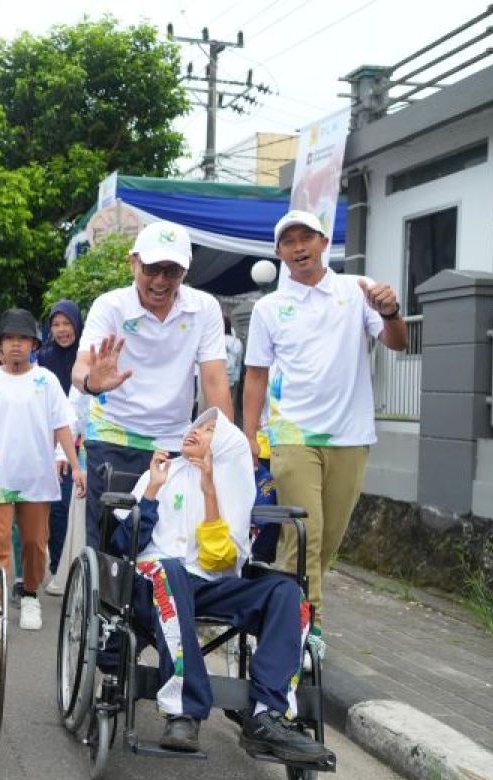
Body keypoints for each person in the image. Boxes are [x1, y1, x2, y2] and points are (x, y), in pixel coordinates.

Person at [110, 409, 332, 764]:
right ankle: (183, 709)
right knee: (170, 571)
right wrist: (151, 489)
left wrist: (209, 490)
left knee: (288, 594)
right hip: (152, 581)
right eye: (197, 424)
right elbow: (124, 546)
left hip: (210, 584)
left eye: (210, 430)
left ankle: (267, 715)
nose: (197, 430)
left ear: (225, 446)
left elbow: (221, 561)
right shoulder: (158, 474)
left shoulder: (231, 488)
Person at [243, 209, 408, 656]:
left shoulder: (358, 291)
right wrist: (247, 436)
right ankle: (307, 626)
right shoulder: (270, 307)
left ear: (322, 241)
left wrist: (390, 311)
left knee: (327, 540)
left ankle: (274, 607)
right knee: (306, 533)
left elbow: (398, 342)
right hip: (292, 436)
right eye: (289, 242)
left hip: (350, 436)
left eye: (306, 239)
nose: (299, 248)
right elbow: (255, 376)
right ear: (279, 252)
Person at [71, 221, 231, 550]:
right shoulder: (110, 306)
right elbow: (80, 368)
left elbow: (215, 381)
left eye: (171, 271)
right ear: (133, 263)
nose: (160, 281)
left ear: (184, 272)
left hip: (173, 441)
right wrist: (92, 382)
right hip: (114, 434)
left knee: (164, 541)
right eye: (151, 269)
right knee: (109, 544)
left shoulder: (204, 308)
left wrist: (226, 443)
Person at [0, 308, 83, 630]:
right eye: (9, 339)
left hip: (36, 475)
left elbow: (62, 425)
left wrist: (76, 465)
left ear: (34, 345)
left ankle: (30, 596)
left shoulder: (46, 380)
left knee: (34, 543)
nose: (16, 345)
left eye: (23, 339)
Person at [37, 299, 83, 585]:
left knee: (65, 504)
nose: (62, 330)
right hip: (45, 439)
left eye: (67, 323)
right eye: (56, 324)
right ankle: (56, 567)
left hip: (75, 440)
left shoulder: (85, 357)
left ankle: (67, 567)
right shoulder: (43, 357)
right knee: (49, 508)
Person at [224, 315, 244, 424]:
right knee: (232, 404)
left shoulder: (216, 340)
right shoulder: (237, 342)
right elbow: (239, 360)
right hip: (234, 377)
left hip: (220, 377)